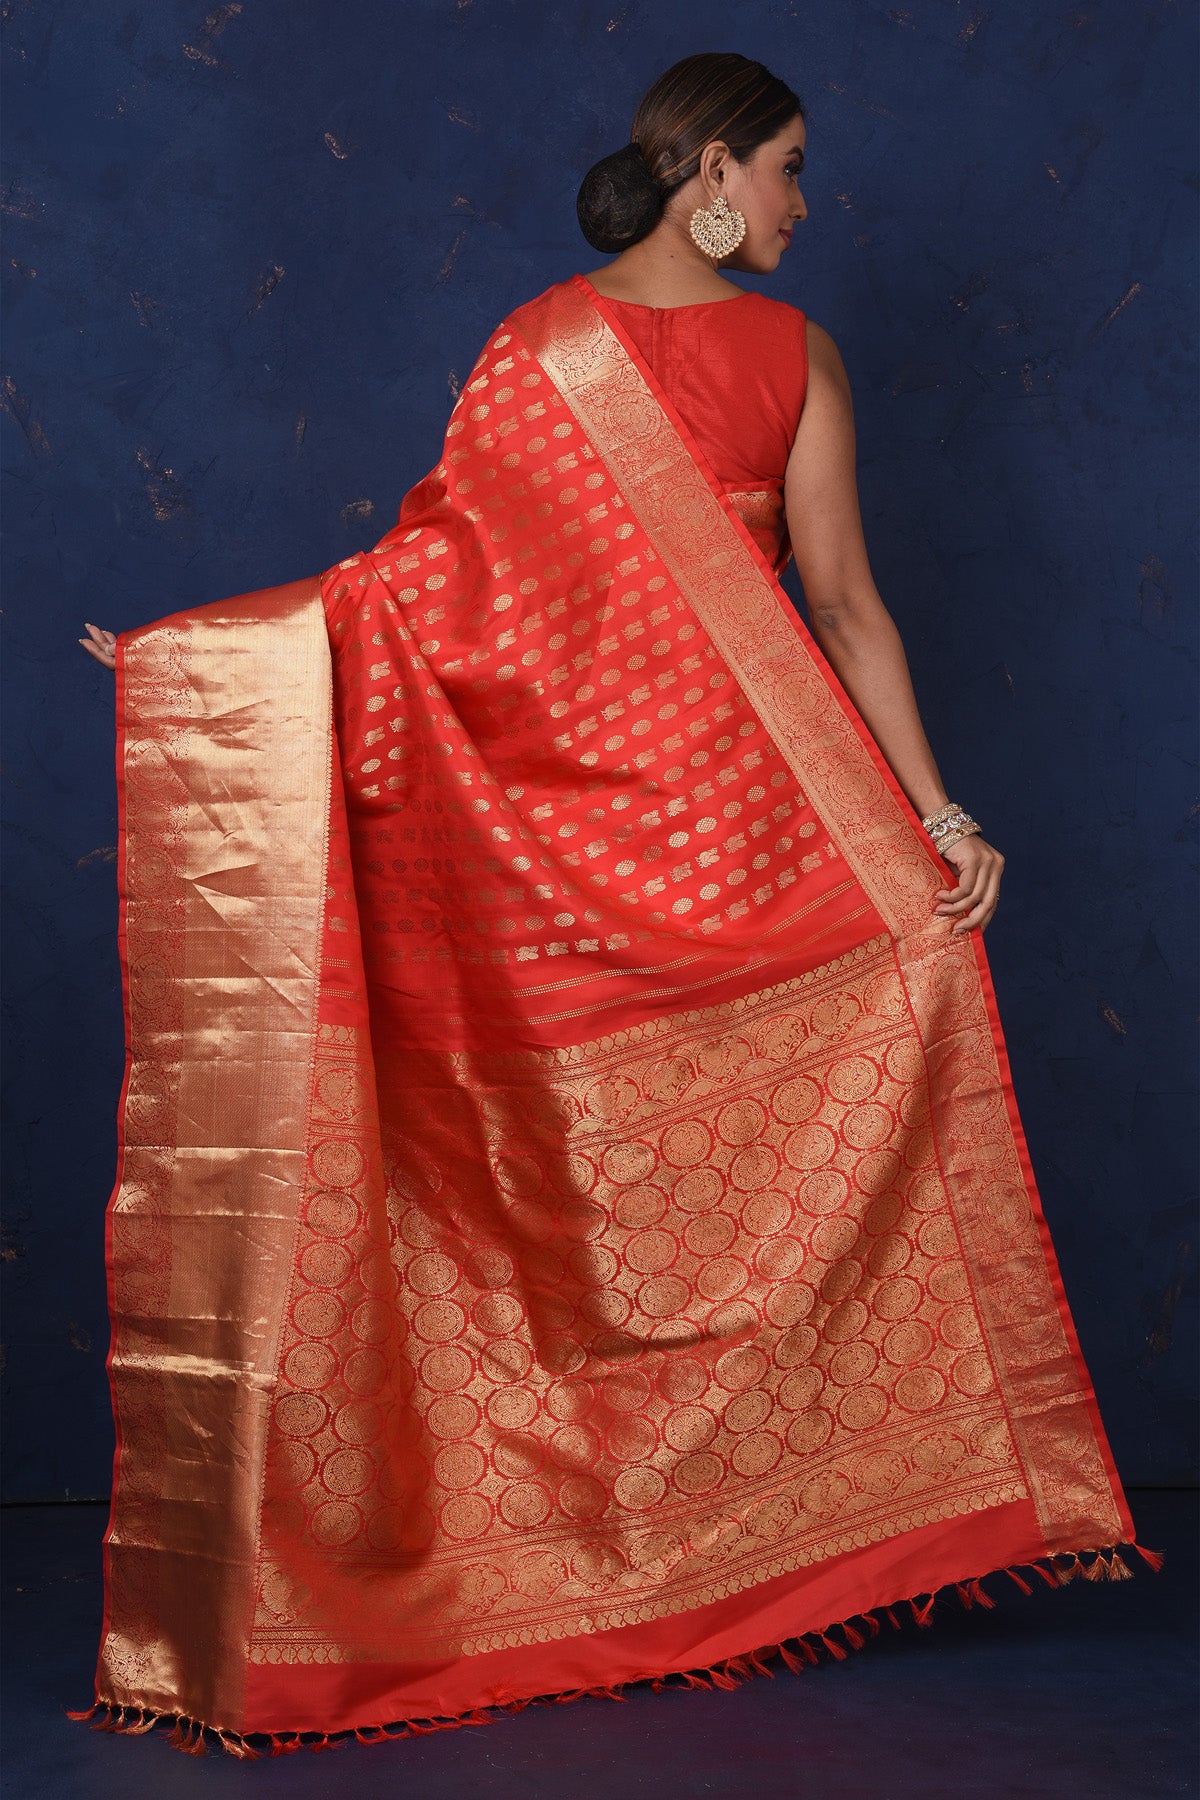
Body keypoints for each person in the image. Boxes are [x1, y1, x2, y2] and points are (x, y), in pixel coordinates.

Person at [72, 52, 1148, 1761]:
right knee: (857, 1039)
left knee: (632, 1154)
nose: (804, 204)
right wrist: (935, 819)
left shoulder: (538, 348)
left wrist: (214, 665)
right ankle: (727, 1548)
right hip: (757, 841)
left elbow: (419, 595)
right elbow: (845, 605)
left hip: (613, 865)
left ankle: (666, 1554)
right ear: (711, 170)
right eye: (788, 168)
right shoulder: (785, 356)